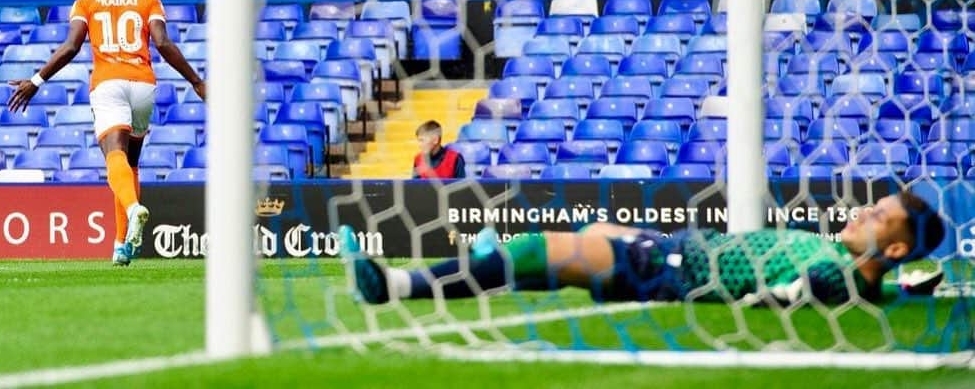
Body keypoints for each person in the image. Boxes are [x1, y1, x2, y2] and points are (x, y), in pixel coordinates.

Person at [340, 189, 946, 306]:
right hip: (674, 248)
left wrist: (885, 284)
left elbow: (804, 291)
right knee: (571, 244)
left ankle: (395, 287)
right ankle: (484, 266)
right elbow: (864, 288)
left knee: (540, 251)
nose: (865, 210)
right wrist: (905, 287)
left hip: (671, 270)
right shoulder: (851, 267)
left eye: (880, 216)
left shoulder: (837, 272)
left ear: (893, 248)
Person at [8, 0, 206, 266]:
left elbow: (72, 46)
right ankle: (121, 245)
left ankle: (132, 209)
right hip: (143, 85)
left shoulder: (88, 0)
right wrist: (196, 81)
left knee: (115, 154)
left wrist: (36, 80)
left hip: (108, 83)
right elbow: (163, 42)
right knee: (131, 162)